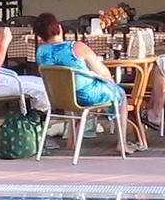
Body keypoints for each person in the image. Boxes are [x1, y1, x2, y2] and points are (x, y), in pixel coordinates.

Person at [33, 13, 136, 153]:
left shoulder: (40, 52)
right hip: (85, 95)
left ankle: (72, 141)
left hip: (59, 96)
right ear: (59, 28)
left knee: (71, 90)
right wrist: (110, 83)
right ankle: (122, 143)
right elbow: (103, 73)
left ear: (40, 35)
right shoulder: (77, 47)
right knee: (121, 94)